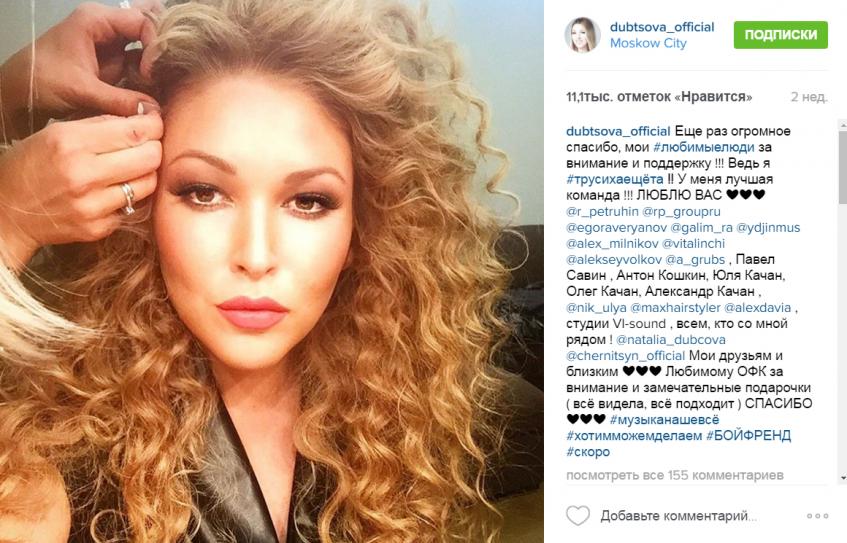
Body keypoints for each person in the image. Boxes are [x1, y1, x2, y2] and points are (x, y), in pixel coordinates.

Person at [0, 1, 543, 542]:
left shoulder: (391, 413)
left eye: (308, 201)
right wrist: (8, 211)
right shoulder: (49, 461)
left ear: (363, 229)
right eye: (204, 192)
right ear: (142, 210)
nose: (256, 257)